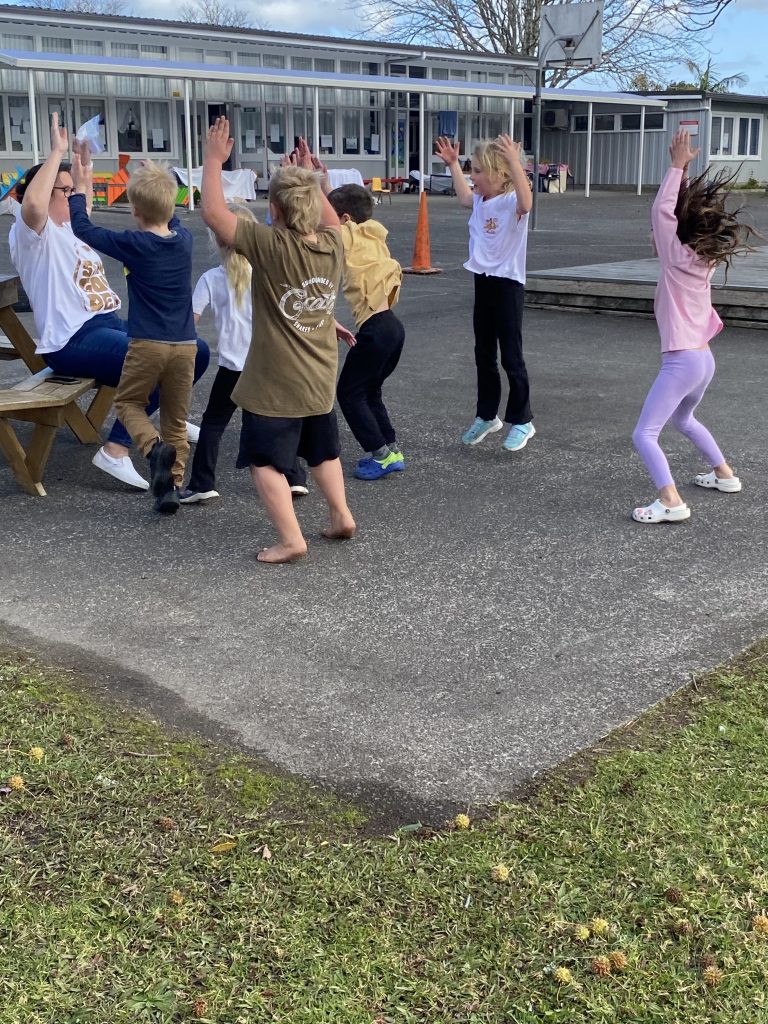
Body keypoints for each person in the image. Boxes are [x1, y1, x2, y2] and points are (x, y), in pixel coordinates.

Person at [8, 112, 209, 491]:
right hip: (71, 340)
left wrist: (81, 172)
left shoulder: (71, 228)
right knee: (153, 361)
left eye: (72, 190)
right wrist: (57, 152)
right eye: (63, 191)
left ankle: (170, 417)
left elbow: (81, 201)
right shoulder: (32, 233)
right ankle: (116, 448)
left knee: (195, 349)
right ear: (43, 191)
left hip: (107, 324)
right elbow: (33, 204)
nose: (72, 195)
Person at [201, 117, 355, 563]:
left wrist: (213, 160)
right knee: (323, 451)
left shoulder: (271, 245)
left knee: (264, 461)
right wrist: (310, 177)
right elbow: (328, 216)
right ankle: (341, 515)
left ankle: (291, 539)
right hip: (320, 376)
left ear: (275, 210)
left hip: (274, 384)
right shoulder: (333, 244)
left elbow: (214, 214)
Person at [631, 129, 755, 524]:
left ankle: (670, 501)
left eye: (658, 232)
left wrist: (676, 167)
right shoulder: (704, 258)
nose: (654, 235)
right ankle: (725, 474)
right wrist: (683, 178)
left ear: (673, 234)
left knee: (644, 434)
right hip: (703, 360)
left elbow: (662, 211)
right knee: (683, 419)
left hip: (682, 362)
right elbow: (675, 215)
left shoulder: (675, 258)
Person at [69, 155, 199, 514]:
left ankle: (153, 448)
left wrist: (79, 189)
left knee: (128, 403)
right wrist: (159, 177)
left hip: (147, 344)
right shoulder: (184, 240)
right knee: (175, 418)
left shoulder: (134, 243)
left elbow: (84, 229)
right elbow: (170, 217)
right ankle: (172, 488)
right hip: (186, 345)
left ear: (135, 211)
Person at [179, 204, 309, 505]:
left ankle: (202, 482)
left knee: (214, 423)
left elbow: (190, 320)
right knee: (276, 420)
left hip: (233, 365)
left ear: (217, 239)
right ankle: (293, 476)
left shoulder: (211, 278)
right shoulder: (269, 272)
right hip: (268, 362)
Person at [434, 133, 534, 451]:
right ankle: (488, 416)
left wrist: (515, 164)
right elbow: (464, 196)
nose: (472, 176)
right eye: (471, 169)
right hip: (484, 281)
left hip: (508, 284)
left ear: (499, 174)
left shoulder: (511, 202)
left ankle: (523, 420)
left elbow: (527, 202)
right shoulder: (479, 200)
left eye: (477, 171)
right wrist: (453, 164)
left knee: (511, 356)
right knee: (484, 353)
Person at [324, 183, 405, 481]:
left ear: (344, 219)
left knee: (349, 393)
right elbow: (344, 210)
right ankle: (391, 449)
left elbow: (333, 223)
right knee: (370, 390)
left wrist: (312, 183)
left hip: (375, 331)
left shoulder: (346, 234)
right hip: (392, 327)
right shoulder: (371, 233)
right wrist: (324, 184)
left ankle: (380, 455)